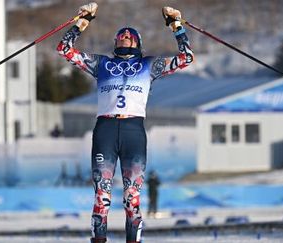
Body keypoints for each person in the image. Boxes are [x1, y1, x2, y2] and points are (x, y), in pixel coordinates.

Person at [57, 3, 194, 243]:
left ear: (138, 43)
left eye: (130, 37)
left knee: (132, 197)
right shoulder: (101, 64)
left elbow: (186, 58)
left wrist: (176, 25)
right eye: (121, 36)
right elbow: (64, 49)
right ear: (115, 42)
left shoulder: (149, 65)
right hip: (106, 131)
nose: (126, 37)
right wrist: (82, 21)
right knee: (102, 196)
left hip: (133, 131)